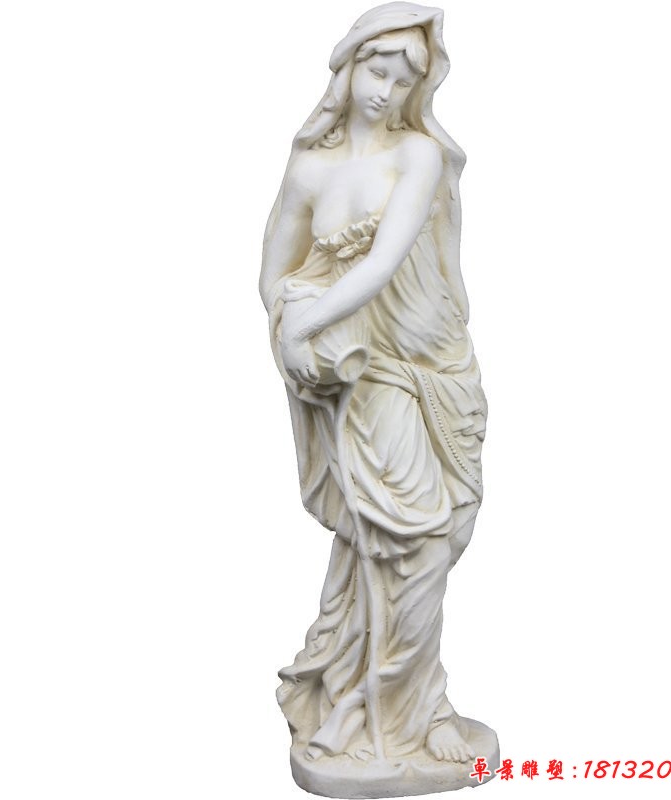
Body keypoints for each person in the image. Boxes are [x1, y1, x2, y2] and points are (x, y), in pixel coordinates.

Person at [260, 2, 487, 766]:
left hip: (431, 354)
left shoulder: (417, 156)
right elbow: (274, 272)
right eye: (376, 68)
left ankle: (368, 697)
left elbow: (385, 263)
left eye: (403, 79)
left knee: (438, 527)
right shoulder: (310, 169)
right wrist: (292, 327)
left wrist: (304, 323)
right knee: (409, 535)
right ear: (347, 65)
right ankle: (399, 716)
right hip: (364, 367)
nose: (386, 89)